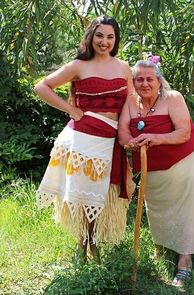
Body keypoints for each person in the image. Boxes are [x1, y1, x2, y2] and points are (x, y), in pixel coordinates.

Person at [34, 15, 134, 262]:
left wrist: (129, 131)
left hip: (110, 139)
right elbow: (42, 87)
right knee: (84, 195)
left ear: (116, 39)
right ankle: (83, 245)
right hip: (84, 137)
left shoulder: (123, 67)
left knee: (101, 195)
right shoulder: (79, 66)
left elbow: (130, 103)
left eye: (110, 36)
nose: (104, 42)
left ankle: (94, 243)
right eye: (100, 35)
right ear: (91, 36)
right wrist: (72, 110)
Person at [118, 56, 194, 287]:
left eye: (150, 79)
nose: (144, 84)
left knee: (187, 208)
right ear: (133, 82)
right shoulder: (130, 102)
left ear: (159, 81)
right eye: (139, 79)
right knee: (157, 207)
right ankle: (162, 247)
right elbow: (122, 134)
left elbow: (183, 133)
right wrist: (132, 144)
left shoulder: (173, 98)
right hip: (153, 166)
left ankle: (185, 261)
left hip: (187, 159)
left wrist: (155, 138)